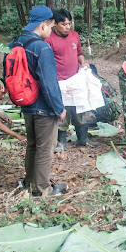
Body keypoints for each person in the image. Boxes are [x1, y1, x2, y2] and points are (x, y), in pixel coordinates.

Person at [8, 5, 67, 197]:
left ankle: (29, 181)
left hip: (26, 104)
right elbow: (49, 83)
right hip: (43, 106)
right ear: (44, 25)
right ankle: (42, 189)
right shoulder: (42, 47)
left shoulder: (15, 43)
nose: (51, 32)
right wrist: (59, 108)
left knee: (32, 144)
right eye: (50, 27)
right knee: (45, 148)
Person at [45, 9, 95, 152]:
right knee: (63, 112)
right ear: (54, 24)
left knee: (80, 108)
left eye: (69, 23)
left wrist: (82, 63)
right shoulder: (49, 39)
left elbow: (79, 52)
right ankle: (61, 142)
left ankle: (83, 139)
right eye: (63, 24)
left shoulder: (74, 36)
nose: (67, 27)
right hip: (59, 82)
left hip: (75, 80)